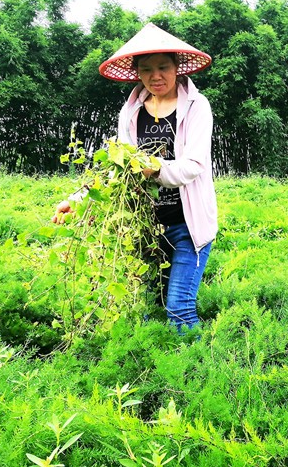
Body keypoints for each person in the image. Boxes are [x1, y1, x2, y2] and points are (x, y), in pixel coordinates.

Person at [53, 23, 218, 331]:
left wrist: (156, 169)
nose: (156, 76)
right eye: (147, 69)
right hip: (146, 227)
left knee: (179, 309)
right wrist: (78, 199)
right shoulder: (131, 111)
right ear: (137, 73)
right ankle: (155, 366)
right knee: (146, 306)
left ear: (177, 67)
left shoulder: (197, 106)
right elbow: (118, 169)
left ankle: (196, 372)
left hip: (188, 224)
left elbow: (194, 165)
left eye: (163, 67)